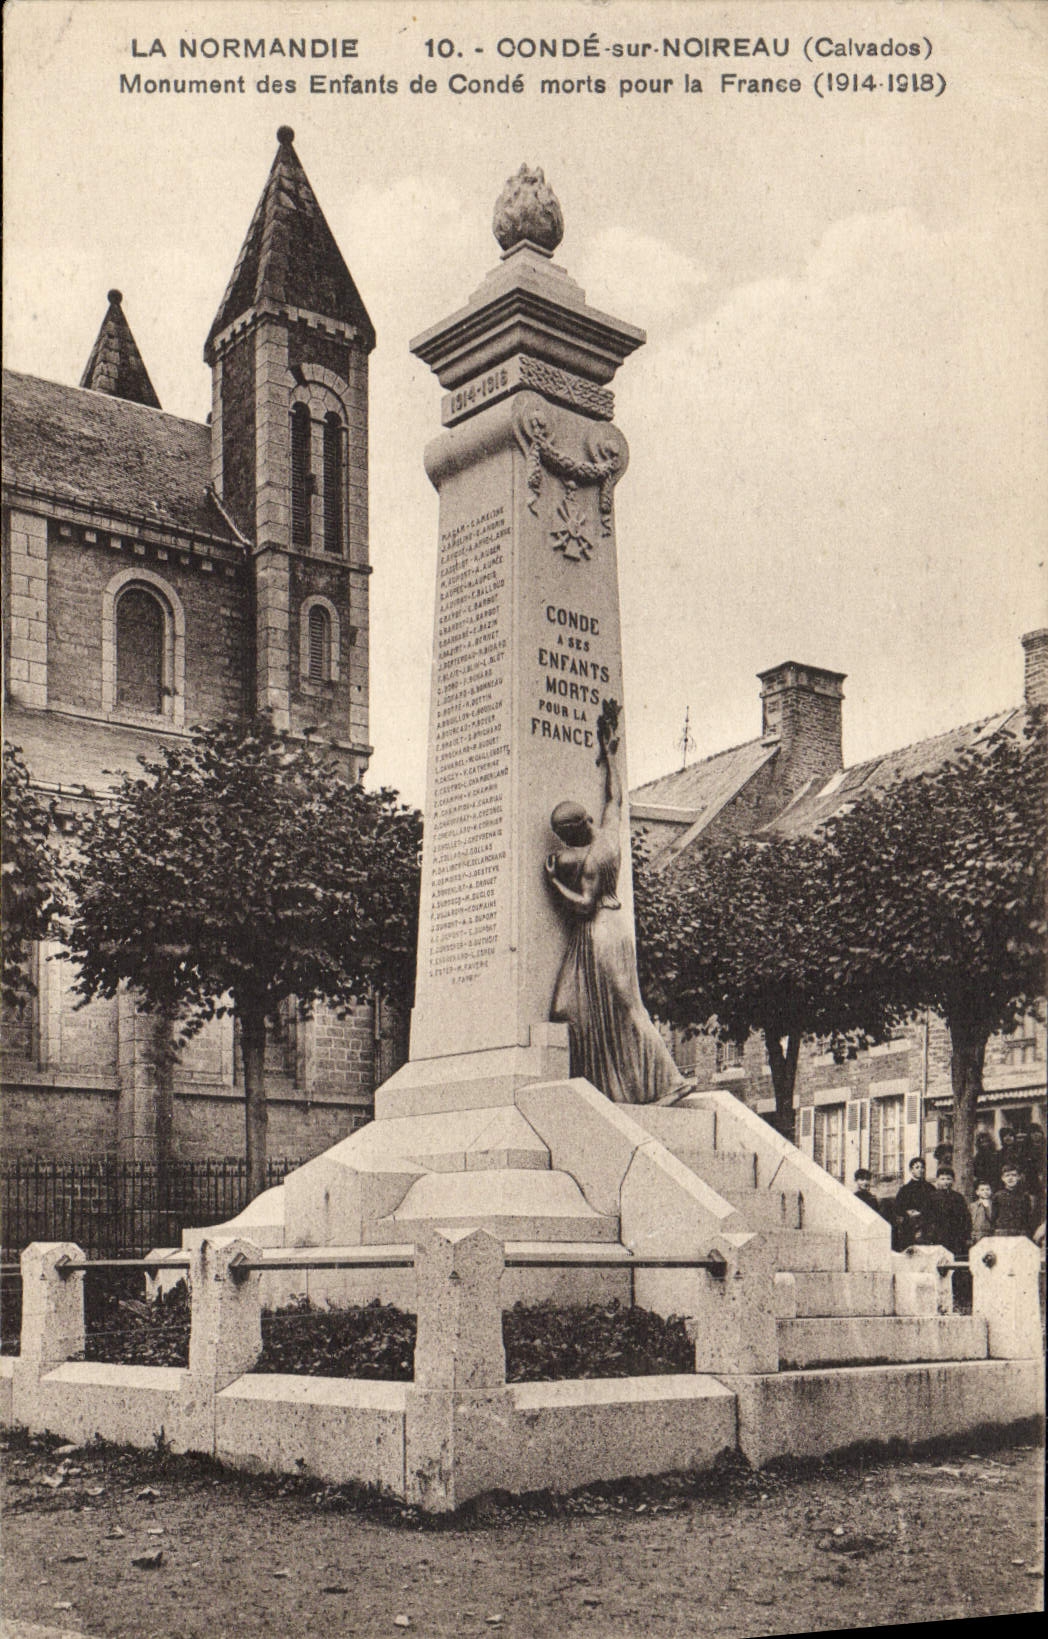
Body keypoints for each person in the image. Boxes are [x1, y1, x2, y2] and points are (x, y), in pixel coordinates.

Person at [545, 702, 689, 1106]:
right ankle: (612, 1085)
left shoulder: (593, 859)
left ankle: (669, 1080)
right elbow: (616, 796)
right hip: (610, 927)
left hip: (600, 931)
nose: (564, 843)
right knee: (571, 1008)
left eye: (565, 835)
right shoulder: (608, 830)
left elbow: (584, 905)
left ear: (575, 830)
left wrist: (555, 881)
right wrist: (610, 755)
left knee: (625, 1007)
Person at [892, 1156, 937, 1251]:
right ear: (911, 1170)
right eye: (917, 1167)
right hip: (910, 1227)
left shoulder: (930, 1188)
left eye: (922, 1167)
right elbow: (898, 1207)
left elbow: (934, 1206)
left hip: (927, 1226)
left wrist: (922, 1213)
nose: (920, 1170)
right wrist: (907, 1212)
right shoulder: (905, 1189)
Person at [927, 1166, 972, 1259]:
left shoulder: (958, 1197)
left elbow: (966, 1217)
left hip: (955, 1236)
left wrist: (966, 1235)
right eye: (942, 1179)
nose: (946, 1182)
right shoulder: (932, 1197)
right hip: (938, 1236)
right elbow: (926, 1217)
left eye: (948, 1179)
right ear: (937, 1180)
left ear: (953, 1181)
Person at [992, 1163, 1036, 1238]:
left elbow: (1027, 1217)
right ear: (1002, 1178)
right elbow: (993, 1217)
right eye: (1007, 1175)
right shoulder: (997, 1196)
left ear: (1018, 1177)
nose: (1010, 1178)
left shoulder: (1024, 1197)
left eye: (1014, 1175)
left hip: (1020, 1233)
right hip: (1002, 1233)